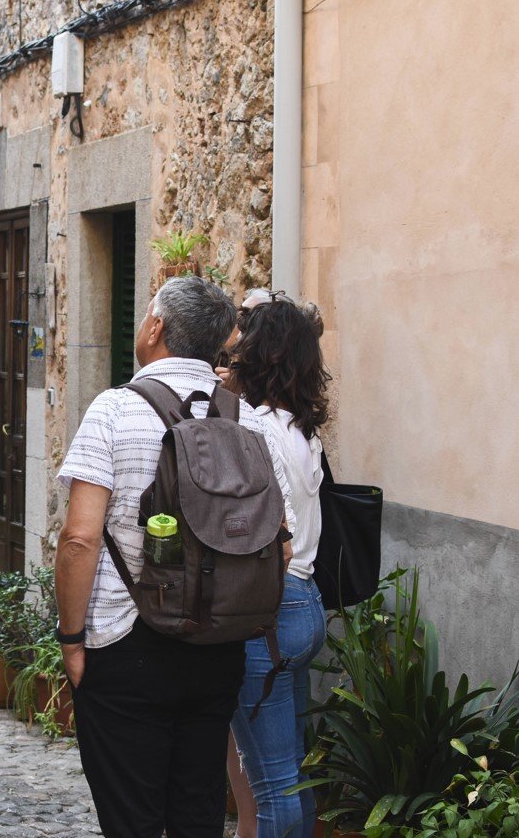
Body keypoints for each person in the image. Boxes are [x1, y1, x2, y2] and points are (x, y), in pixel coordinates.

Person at [54, 276, 298, 838]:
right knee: (197, 810)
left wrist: (72, 639)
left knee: (132, 817)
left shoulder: (115, 410)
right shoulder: (250, 420)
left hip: (126, 640)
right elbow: (278, 544)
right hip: (218, 645)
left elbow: (80, 539)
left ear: (156, 327)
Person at [220, 292, 331, 838]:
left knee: (271, 787)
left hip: (270, 610)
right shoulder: (300, 427)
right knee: (290, 777)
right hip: (306, 605)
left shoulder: (252, 425)